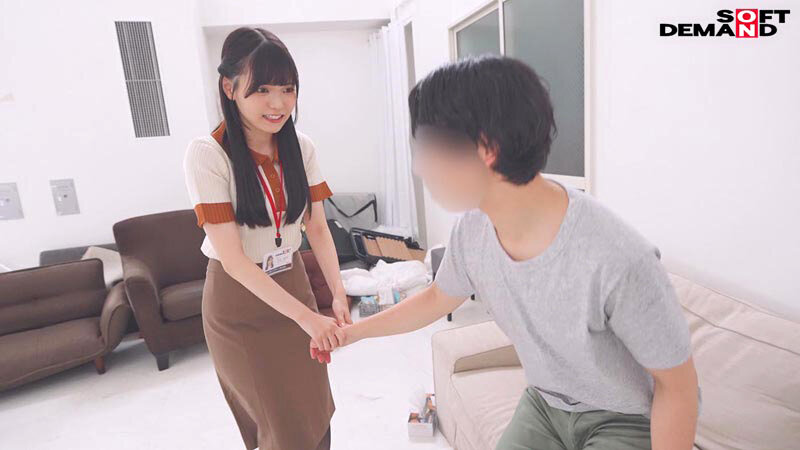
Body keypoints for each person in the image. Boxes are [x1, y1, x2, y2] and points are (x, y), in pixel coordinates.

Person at [311, 55, 701, 449]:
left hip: (623, 418)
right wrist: (351, 333)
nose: (418, 167)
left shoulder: (617, 258)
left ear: (487, 148)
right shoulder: (473, 229)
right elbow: (437, 298)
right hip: (546, 403)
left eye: (427, 147)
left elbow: (679, 386)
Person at [183, 27, 352, 450]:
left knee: (313, 407)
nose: (278, 104)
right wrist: (308, 318)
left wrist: (337, 292)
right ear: (229, 87)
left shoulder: (301, 147)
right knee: (280, 425)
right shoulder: (207, 154)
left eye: (287, 89)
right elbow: (235, 261)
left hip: (293, 284)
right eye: (262, 90)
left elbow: (317, 227)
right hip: (238, 304)